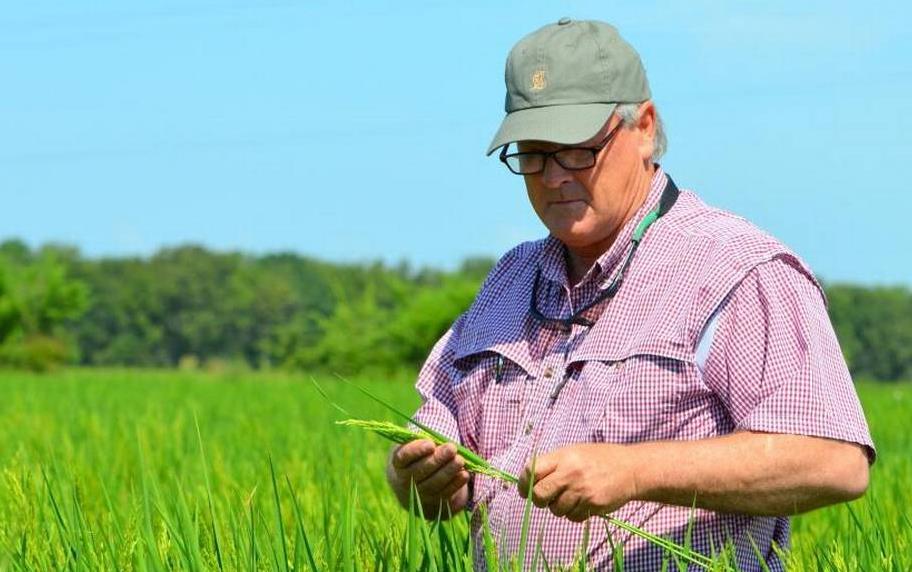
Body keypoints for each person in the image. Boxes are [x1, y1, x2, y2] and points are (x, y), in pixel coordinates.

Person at [385, 18, 874, 571]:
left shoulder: (736, 269)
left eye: (576, 150)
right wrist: (417, 481)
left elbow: (833, 460)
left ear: (644, 127)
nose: (552, 177)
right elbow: (437, 452)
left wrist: (633, 472)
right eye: (533, 154)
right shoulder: (509, 280)